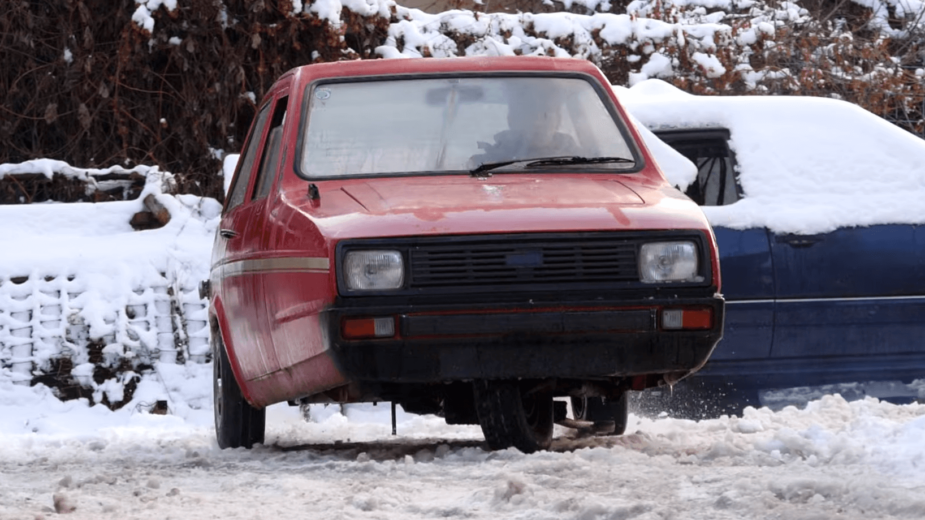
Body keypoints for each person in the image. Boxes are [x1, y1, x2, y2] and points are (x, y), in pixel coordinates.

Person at [469, 91, 580, 168]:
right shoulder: (492, 162)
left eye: (545, 115)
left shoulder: (581, 160)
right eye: (530, 115)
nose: (538, 122)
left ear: (558, 120)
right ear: (512, 121)